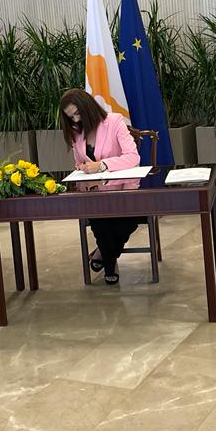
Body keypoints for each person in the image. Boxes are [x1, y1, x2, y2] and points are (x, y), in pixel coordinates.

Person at [59, 88, 142, 284]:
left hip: (124, 190)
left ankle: (103, 255)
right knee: (100, 220)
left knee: (127, 222)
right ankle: (110, 264)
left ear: (87, 106)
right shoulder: (76, 132)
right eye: (71, 117)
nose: (76, 120)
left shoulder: (114, 122)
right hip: (94, 193)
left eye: (77, 113)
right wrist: (82, 167)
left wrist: (102, 165)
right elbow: (80, 162)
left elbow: (133, 157)